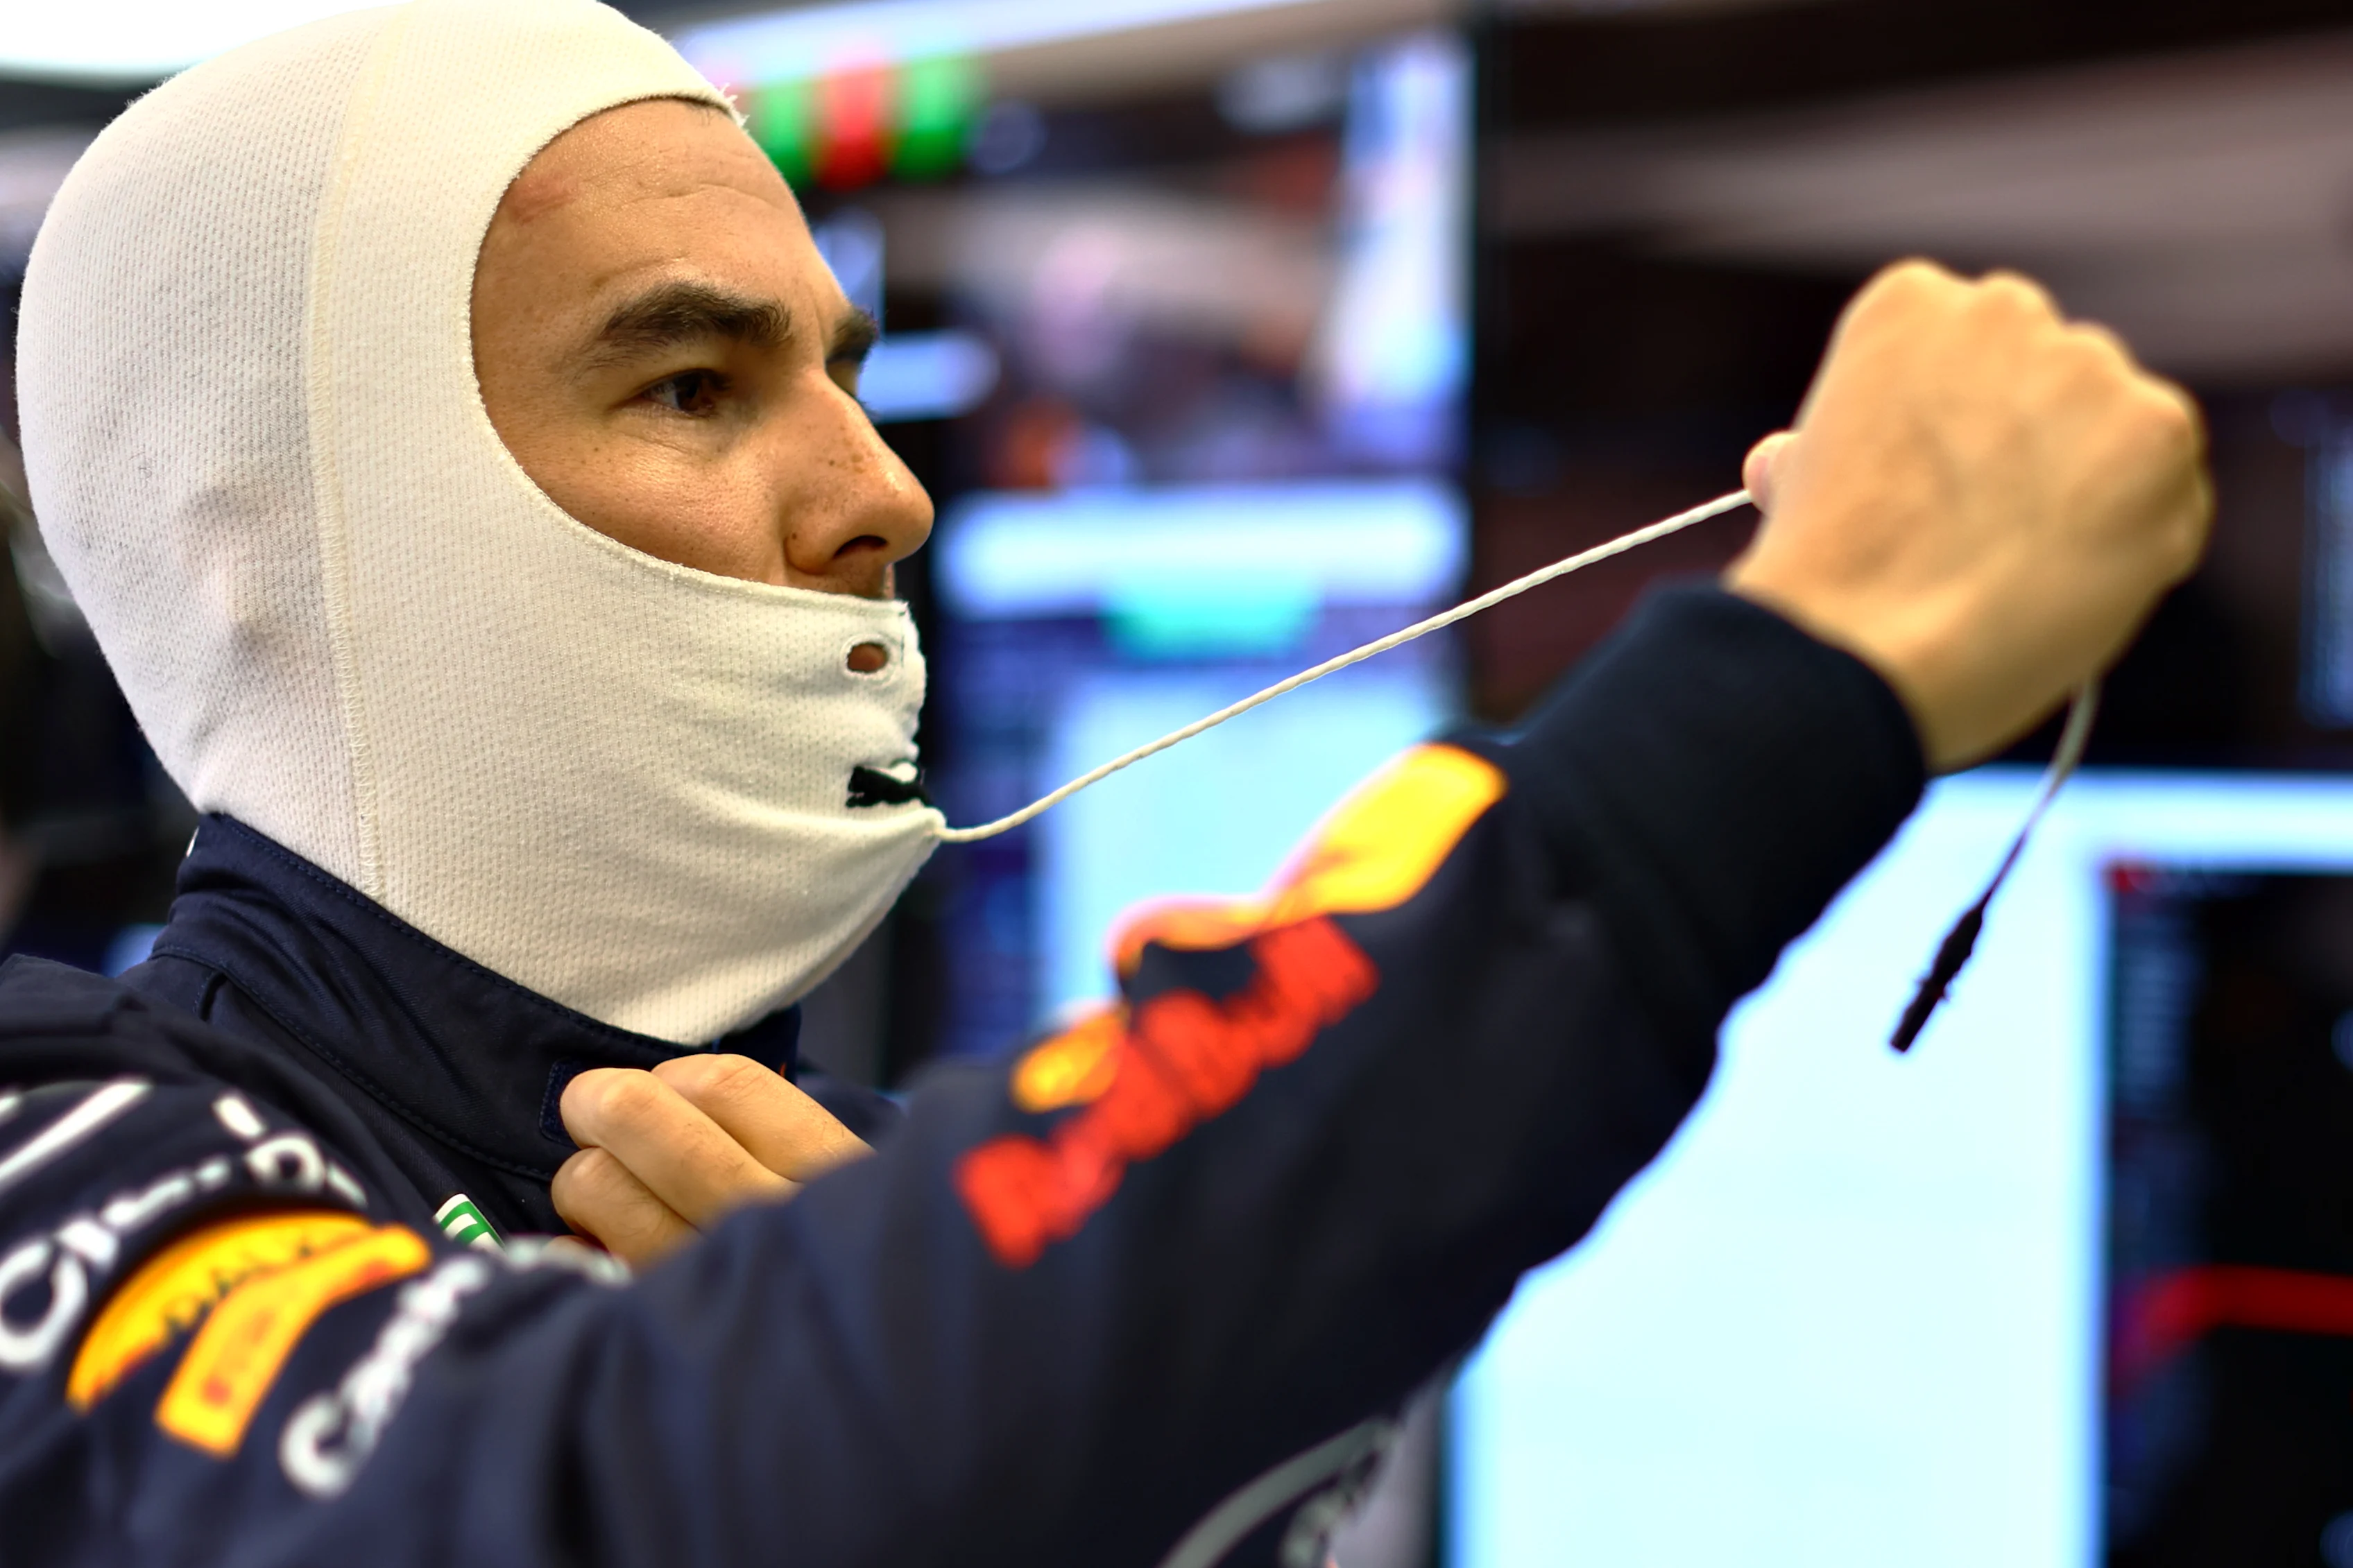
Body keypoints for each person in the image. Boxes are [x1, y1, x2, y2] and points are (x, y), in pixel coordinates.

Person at [0, 1, 2207, 1563]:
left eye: (849, 377)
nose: (883, 493)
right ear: (261, 537)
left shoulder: (838, 1226)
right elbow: (577, 1498)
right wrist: (1771, 700)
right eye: (690, 381)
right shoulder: (52, 1140)